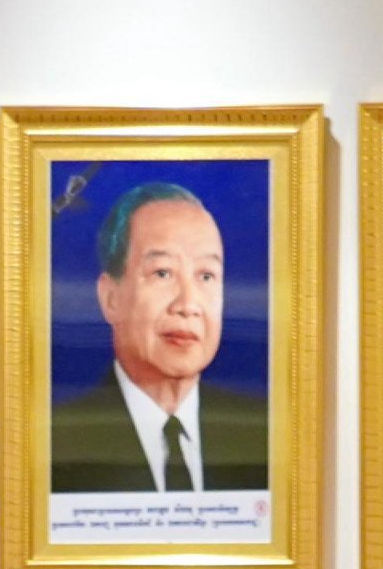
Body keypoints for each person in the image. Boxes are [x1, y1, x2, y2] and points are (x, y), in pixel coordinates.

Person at [46, 180, 270, 495]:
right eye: (162, 273)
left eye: (206, 276)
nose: (188, 305)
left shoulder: (263, 435)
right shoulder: (56, 441)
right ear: (111, 298)